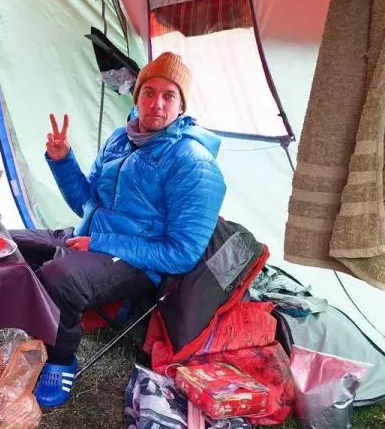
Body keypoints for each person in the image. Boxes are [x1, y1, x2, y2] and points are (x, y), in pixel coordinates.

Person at [12, 51, 226, 408]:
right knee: (8, 246)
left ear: (181, 106)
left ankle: (60, 358)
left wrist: (101, 241)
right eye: (149, 92)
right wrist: (63, 160)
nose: (156, 103)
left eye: (168, 95)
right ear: (136, 95)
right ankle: (32, 326)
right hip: (88, 238)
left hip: (139, 261)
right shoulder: (121, 138)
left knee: (60, 277)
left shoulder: (194, 163)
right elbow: (85, 200)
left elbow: (181, 254)